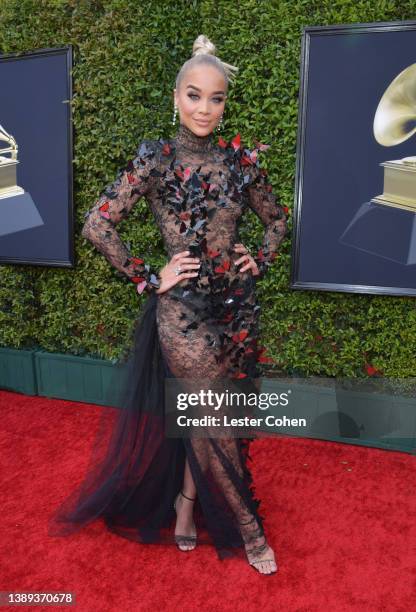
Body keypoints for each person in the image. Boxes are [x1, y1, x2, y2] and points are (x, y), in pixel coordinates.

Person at [48, 34, 288, 575]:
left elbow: (278, 219)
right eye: (194, 95)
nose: (205, 108)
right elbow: (97, 223)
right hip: (182, 313)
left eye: (216, 98)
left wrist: (262, 258)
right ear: (175, 96)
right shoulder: (155, 159)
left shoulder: (241, 164)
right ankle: (249, 530)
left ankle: (186, 503)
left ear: (226, 105)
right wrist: (147, 275)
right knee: (213, 415)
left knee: (208, 412)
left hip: (235, 310)